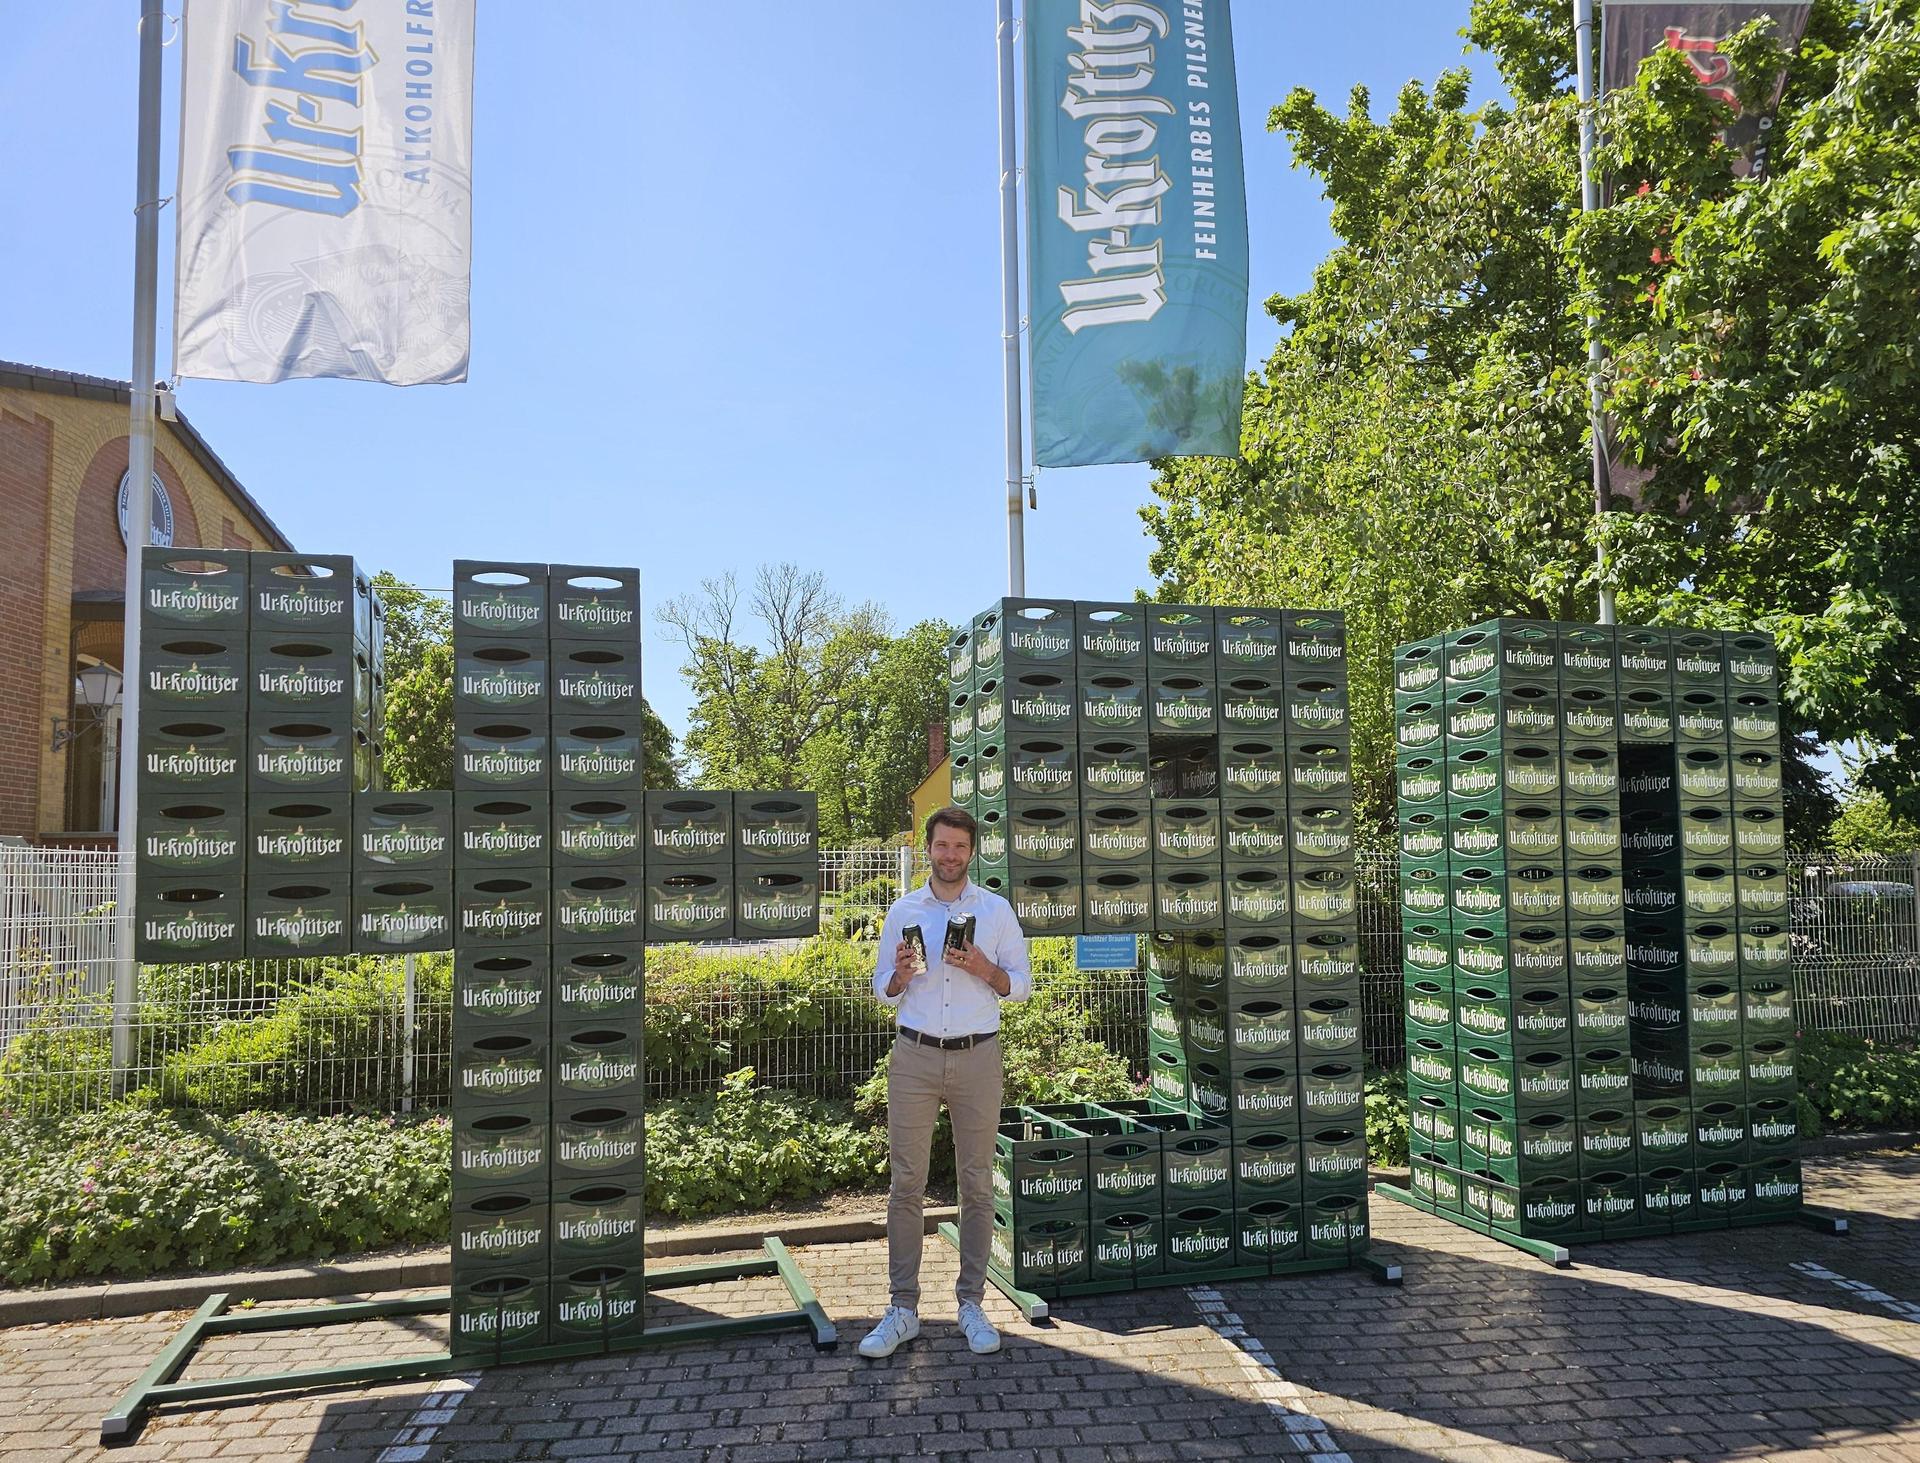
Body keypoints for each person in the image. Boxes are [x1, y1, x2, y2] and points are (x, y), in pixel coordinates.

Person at [856, 805, 1032, 1359]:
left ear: (971, 852)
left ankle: (971, 1304)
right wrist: (899, 976)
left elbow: (1022, 985)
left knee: (976, 1184)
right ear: (928, 848)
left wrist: (985, 969)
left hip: (978, 1056)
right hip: (914, 1056)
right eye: (941, 845)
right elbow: (879, 988)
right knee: (906, 1184)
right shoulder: (903, 910)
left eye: (959, 846)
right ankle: (902, 1309)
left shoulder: (996, 911)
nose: (950, 855)